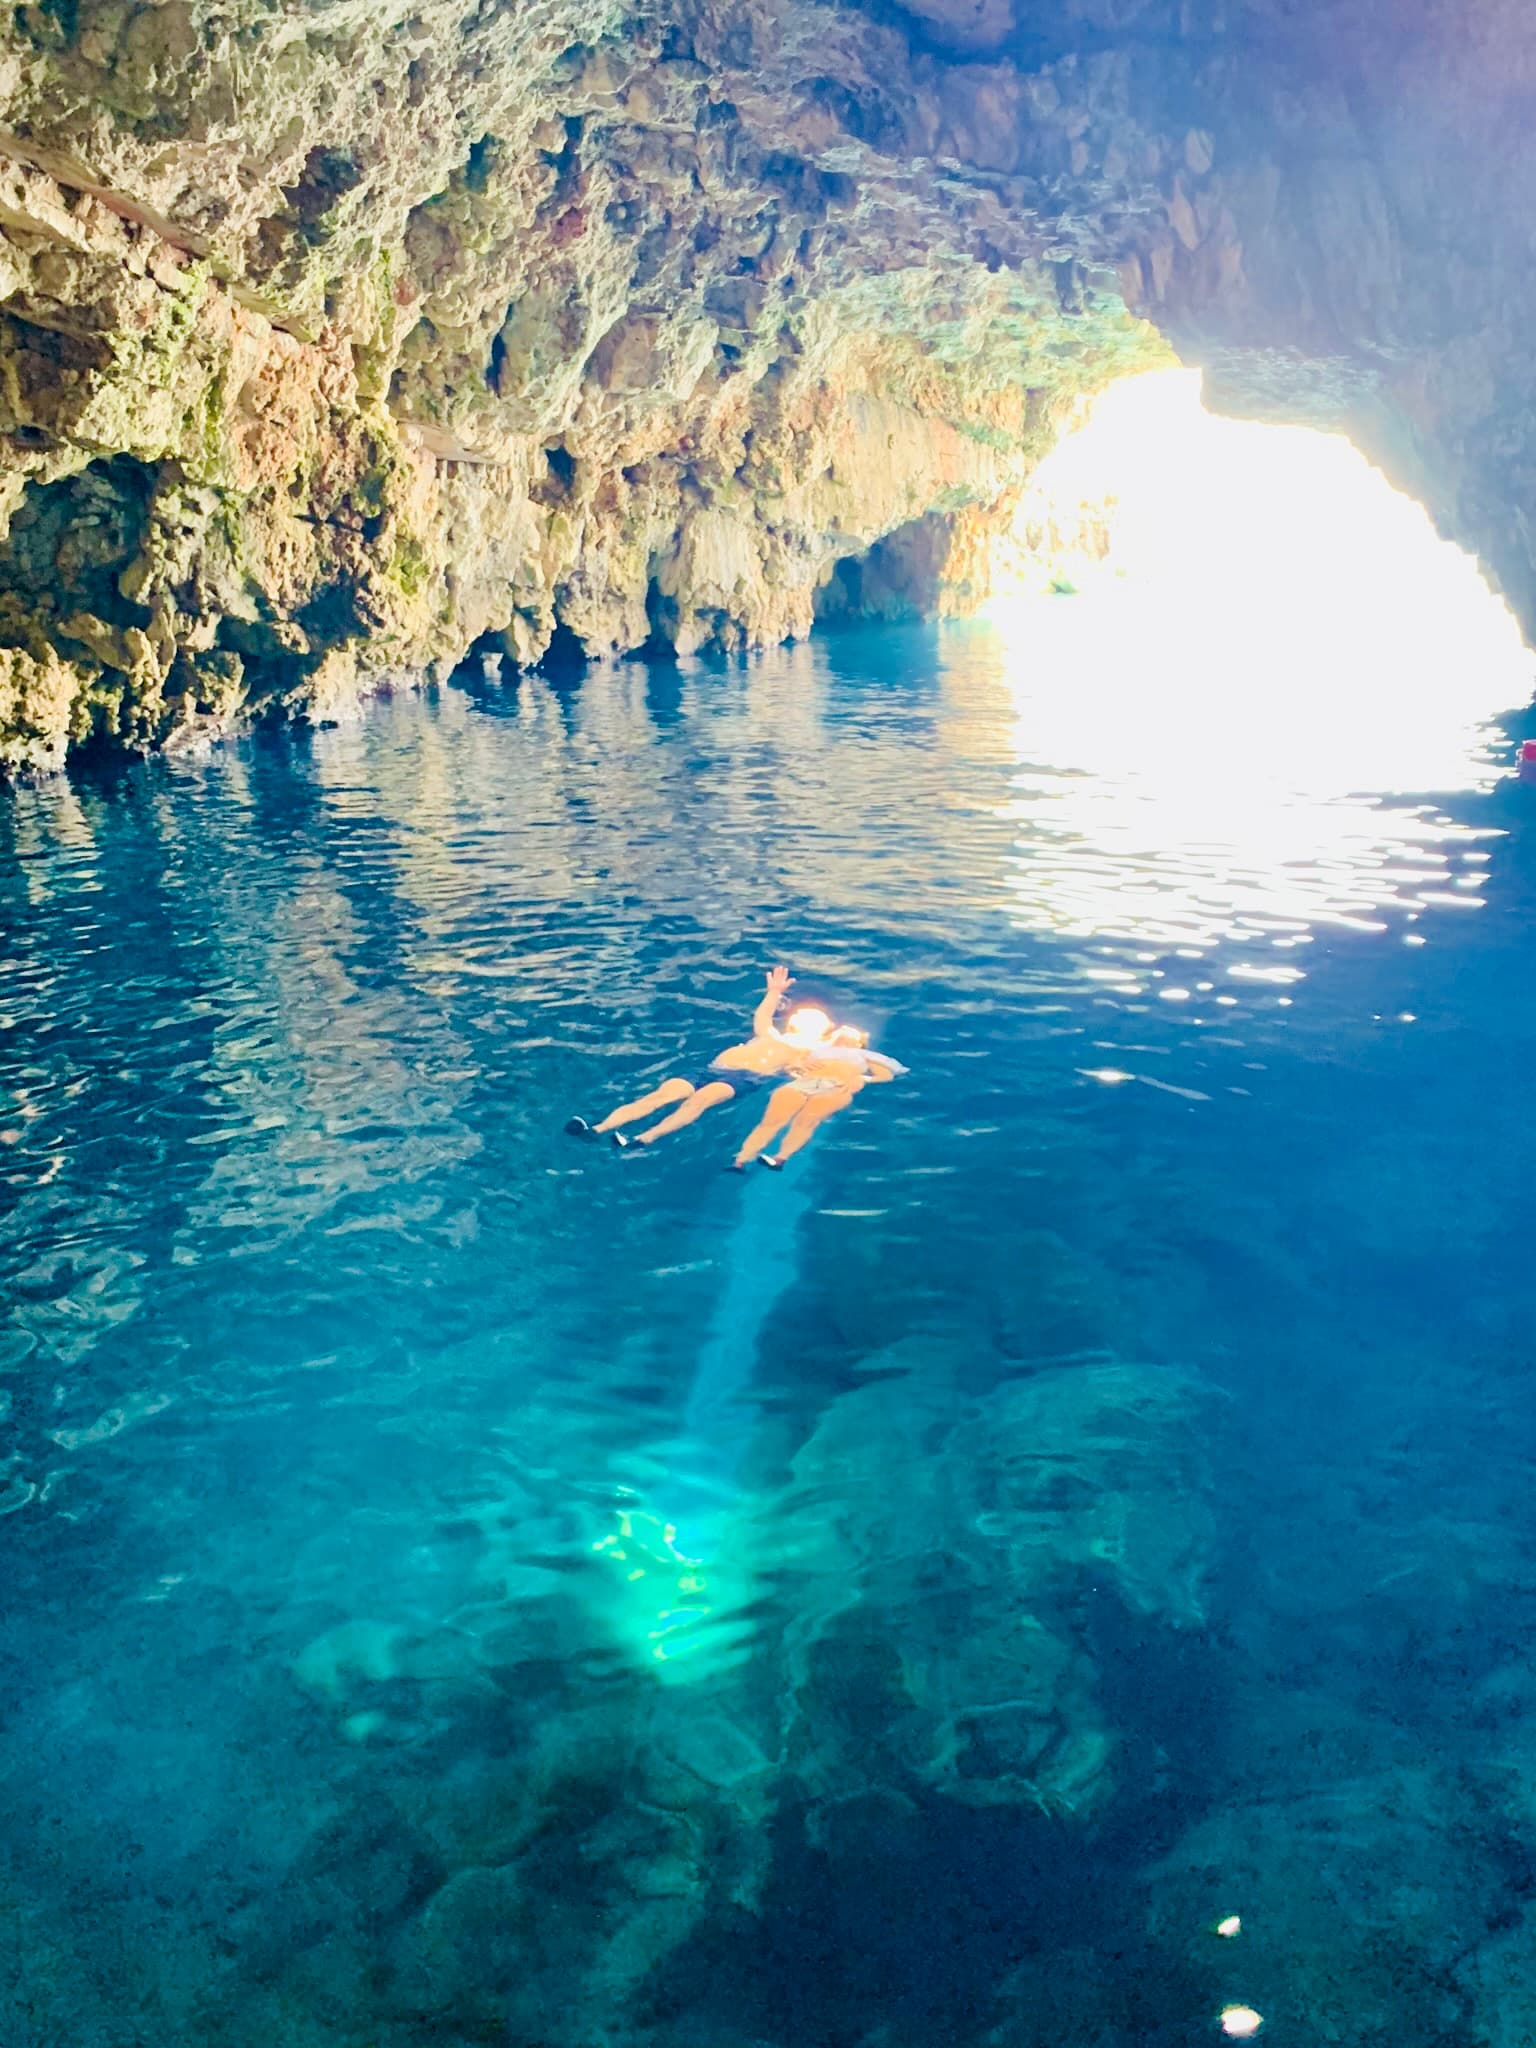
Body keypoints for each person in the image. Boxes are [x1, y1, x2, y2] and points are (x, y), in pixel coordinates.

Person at [565, 965, 822, 1150]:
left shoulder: (806, 1051)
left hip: (745, 1078)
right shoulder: (769, 1034)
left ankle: (645, 1138)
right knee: (659, 1096)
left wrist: (800, 1069)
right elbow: (763, 1015)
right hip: (712, 1068)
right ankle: (596, 1129)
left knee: (697, 1102)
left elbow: (800, 1073)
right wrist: (774, 992)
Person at [730, 1025, 906, 1172]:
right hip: (805, 1082)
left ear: (859, 1042)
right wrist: (797, 1065)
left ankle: (780, 1158)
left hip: (837, 1085)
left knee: (806, 1121)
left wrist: (861, 1078)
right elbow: (790, 1066)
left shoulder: (864, 1055)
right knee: (772, 1120)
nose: (843, 1033)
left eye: (849, 1032)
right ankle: (741, 1159)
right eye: (840, 1032)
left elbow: (885, 1075)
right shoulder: (814, 1051)